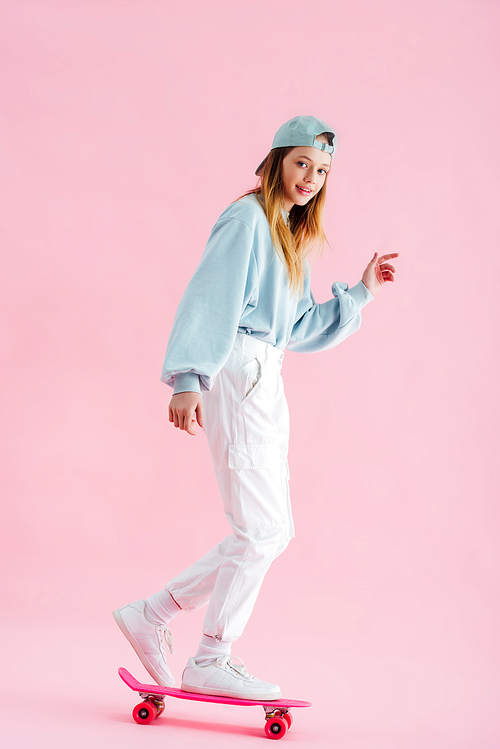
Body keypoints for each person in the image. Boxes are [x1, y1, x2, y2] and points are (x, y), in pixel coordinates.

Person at [113, 115, 399, 701]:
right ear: (275, 162)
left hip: (265, 372)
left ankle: (152, 614)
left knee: (273, 530)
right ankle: (210, 654)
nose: (312, 178)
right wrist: (188, 378)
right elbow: (209, 297)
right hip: (238, 367)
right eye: (302, 164)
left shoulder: (288, 234)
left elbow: (295, 326)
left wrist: (362, 292)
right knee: (261, 529)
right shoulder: (246, 219)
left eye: (322, 171)